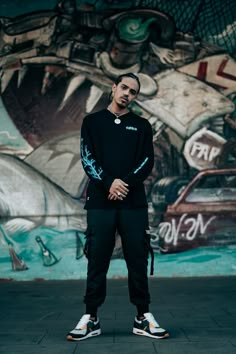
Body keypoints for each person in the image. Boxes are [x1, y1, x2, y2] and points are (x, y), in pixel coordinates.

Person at [67, 73, 169, 341]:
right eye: (123, 87)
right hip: (100, 202)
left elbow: (147, 161)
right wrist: (109, 183)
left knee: (137, 258)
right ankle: (91, 318)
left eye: (133, 91)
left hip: (133, 203)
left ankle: (142, 317)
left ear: (135, 97)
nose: (127, 93)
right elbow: (87, 158)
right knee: (97, 258)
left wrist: (122, 184)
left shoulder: (142, 125)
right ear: (113, 88)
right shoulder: (92, 122)